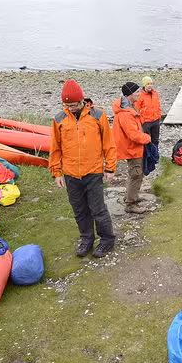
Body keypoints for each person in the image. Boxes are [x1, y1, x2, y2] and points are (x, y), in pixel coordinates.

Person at [49, 79, 117, 258]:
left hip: (93, 172)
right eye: (66, 105)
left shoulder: (98, 115)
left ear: (82, 101)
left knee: (98, 209)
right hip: (71, 174)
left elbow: (108, 144)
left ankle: (107, 240)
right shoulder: (59, 119)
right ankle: (87, 239)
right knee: (79, 210)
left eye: (73, 104)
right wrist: (57, 172)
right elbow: (55, 148)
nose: (70, 108)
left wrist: (110, 168)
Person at [114, 82, 152, 214]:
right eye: (136, 92)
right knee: (136, 175)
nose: (139, 94)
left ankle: (130, 196)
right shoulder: (125, 113)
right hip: (132, 149)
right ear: (129, 94)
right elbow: (133, 135)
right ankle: (131, 204)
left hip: (132, 148)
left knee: (134, 174)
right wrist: (147, 138)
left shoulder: (129, 107)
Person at [134, 75, 162, 146]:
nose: (150, 85)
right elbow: (137, 109)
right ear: (144, 85)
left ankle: (155, 155)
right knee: (146, 141)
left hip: (155, 120)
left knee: (155, 140)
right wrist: (142, 121)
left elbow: (158, 106)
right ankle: (147, 156)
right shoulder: (140, 95)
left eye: (151, 83)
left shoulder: (155, 93)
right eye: (148, 84)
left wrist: (158, 117)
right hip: (146, 122)